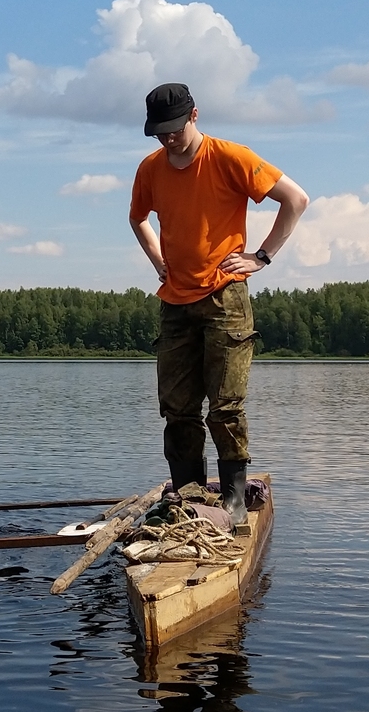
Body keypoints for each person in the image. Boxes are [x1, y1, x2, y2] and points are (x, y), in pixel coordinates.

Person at [129, 82, 309, 525]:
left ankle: (231, 500)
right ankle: (187, 495)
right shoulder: (150, 168)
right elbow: (137, 217)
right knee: (177, 407)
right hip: (175, 302)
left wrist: (261, 256)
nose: (167, 139)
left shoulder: (231, 157)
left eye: (173, 129)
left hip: (225, 296)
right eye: (159, 132)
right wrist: (160, 262)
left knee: (225, 405)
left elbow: (296, 199)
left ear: (194, 115)